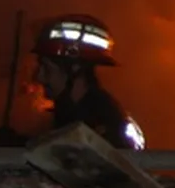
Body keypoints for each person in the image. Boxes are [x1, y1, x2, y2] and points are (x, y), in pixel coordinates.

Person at [29, 13, 146, 150]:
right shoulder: (69, 115)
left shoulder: (104, 125)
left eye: (47, 69)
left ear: (75, 69)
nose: (39, 77)